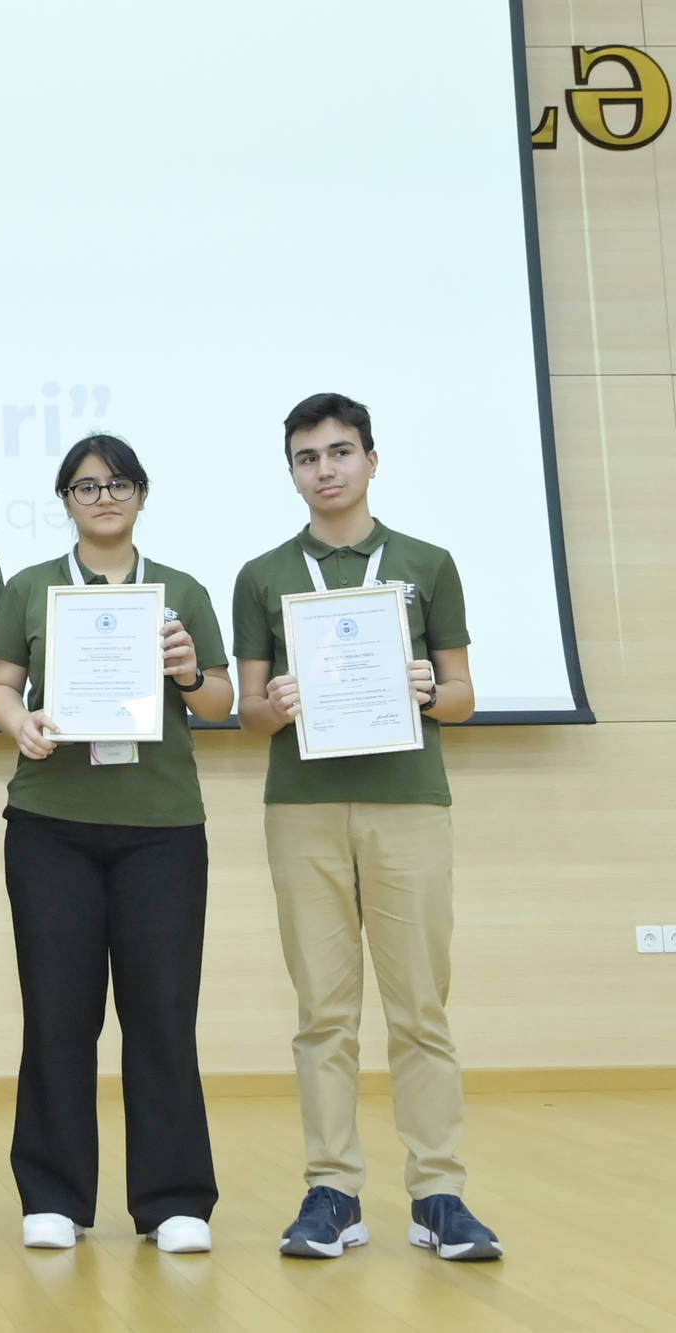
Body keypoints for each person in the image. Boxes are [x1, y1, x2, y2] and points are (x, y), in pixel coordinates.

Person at [233, 392, 500, 1262]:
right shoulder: (263, 574)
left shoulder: (428, 563)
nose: (326, 469)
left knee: (420, 1005)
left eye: (341, 451)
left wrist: (429, 690)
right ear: (293, 473)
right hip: (302, 809)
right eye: (308, 457)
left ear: (372, 460)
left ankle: (439, 1192)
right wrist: (273, 705)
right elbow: (246, 711)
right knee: (323, 1011)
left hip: (408, 803)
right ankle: (333, 1189)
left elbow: (462, 697)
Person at [0, 434, 230, 1254]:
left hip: (162, 827)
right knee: (58, 1013)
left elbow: (222, 698)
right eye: (86, 486)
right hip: (51, 825)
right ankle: (54, 1194)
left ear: (142, 494)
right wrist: (18, 722)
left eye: (118, 483)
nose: (103, 497)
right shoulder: (32, 587)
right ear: (66, 500)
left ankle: (174, 1198)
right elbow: (0, 685)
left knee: (162, 1012)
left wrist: (189, 672)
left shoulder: (180, 589)